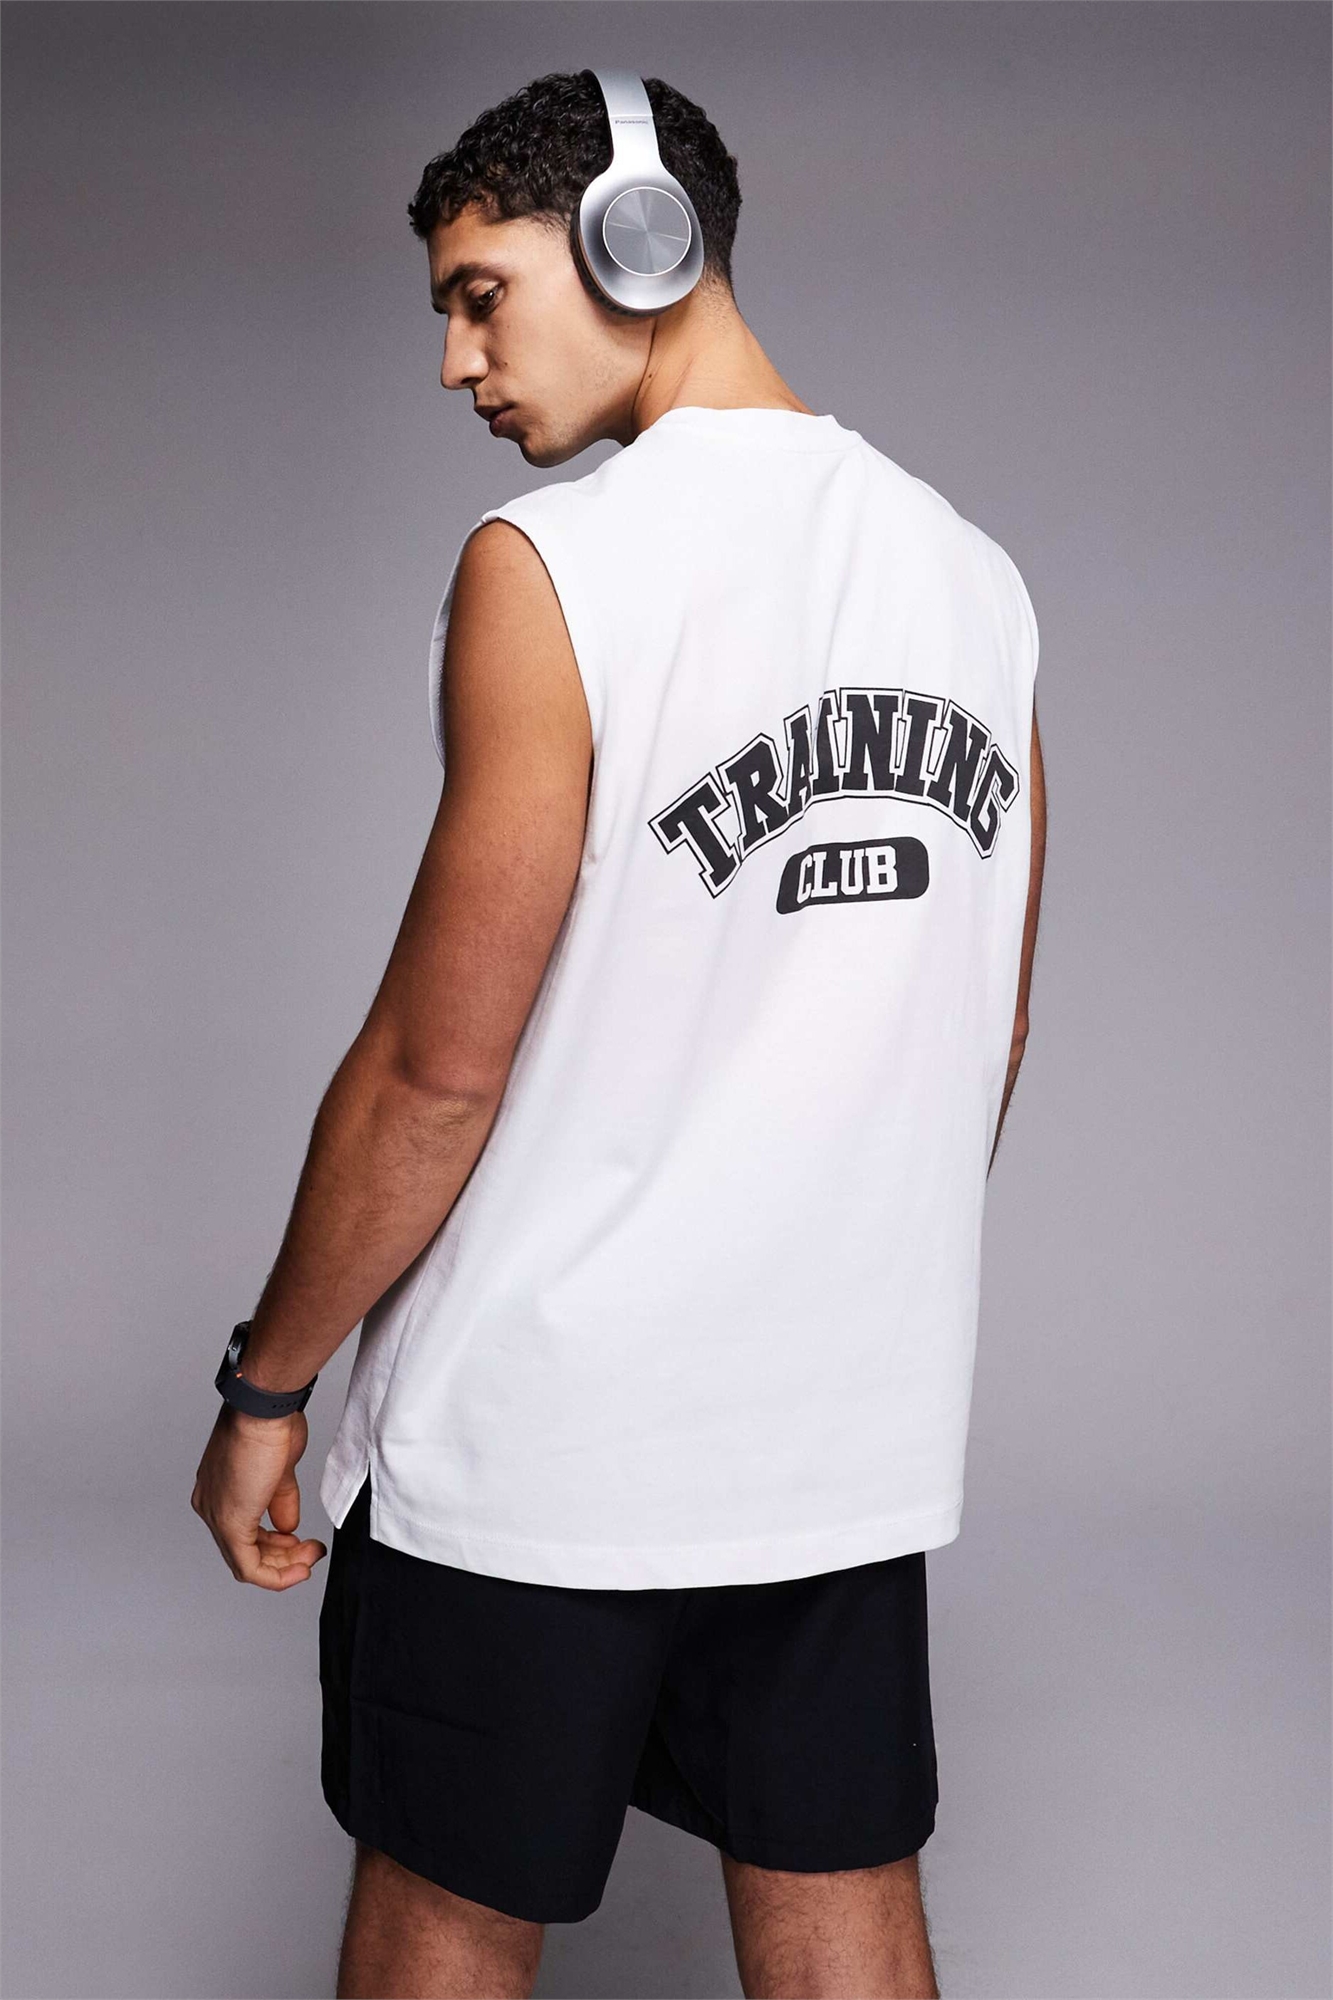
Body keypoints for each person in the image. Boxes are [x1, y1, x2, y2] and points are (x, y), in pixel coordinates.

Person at [191, 67, 1046, 2000]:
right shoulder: (972, 579)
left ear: (635, 243)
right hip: (835, 1433)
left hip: (538, 1440)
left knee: (445, 1921)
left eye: (479, 295)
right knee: (841, 1912)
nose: (454, 362)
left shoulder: (552, 566)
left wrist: (267, 1386)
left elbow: (435, 1066)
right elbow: (979, 1033)